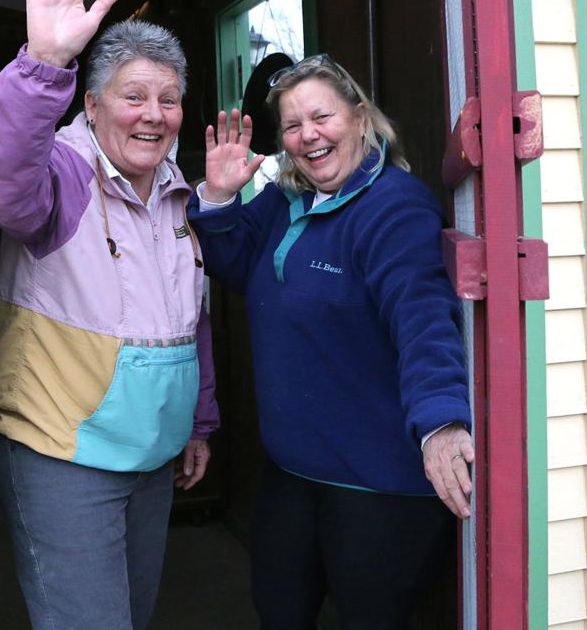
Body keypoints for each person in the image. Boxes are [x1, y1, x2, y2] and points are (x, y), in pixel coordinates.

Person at [0, 0, 219, 630]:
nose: (153, 114)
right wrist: (45, 62)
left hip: (152, 455)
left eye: (168, 99)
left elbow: (187, 320)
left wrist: (196, 422)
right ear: (90, 103)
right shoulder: (64, 172)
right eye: (132, 95)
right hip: (62, 452)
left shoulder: (177, 190)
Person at [186, 53, 474, 630]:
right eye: (292, 125)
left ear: (360, 118)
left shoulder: (393, 207)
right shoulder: (288, 198)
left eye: (321, 117)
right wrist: (218, 199)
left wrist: (442, 419)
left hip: (376, 484)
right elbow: (237, 263)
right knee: (278, 611)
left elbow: (421, 316)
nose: (307, 135)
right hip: (293, 471)